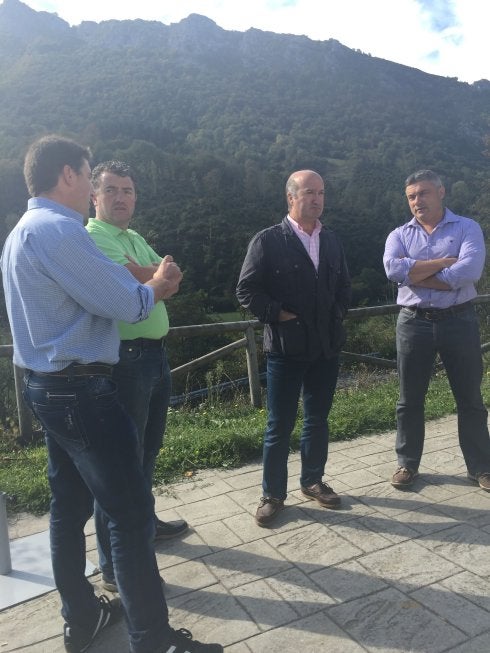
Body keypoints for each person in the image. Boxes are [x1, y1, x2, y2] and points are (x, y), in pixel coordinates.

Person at [0, 135, 223, 653]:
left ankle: (82, 618)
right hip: (82, 390)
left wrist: (144, 287)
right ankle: (154, 639)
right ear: (70, 176)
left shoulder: (20, 232)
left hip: (45, 387)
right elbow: (125, 304)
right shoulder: (61, 231)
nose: (96, 189)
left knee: (67, 507)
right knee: (130, 512)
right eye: (88, 173)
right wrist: (158, 288)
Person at [86, 160, 188, 594]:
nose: (122, 197)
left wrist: (155, 276)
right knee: (120, 465)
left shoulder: (134, 238)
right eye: (112, 190)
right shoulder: (92, 237)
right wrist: (154, 276)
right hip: (125, 361)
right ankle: (114, 565)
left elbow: (172, 280)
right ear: (95, 196)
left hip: (154, 357)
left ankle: (145, 524)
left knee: (146, 453)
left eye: (128, 190)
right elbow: (133, 281)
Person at [236, 169, 351, 526]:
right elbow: (246, 291)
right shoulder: (268, 240)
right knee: (279, 425)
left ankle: (313, 481)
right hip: (285, 349)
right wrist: (278, 315)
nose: (316, 199)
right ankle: (273, 495)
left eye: (320, 192)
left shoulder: (330, 240)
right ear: (291, 198)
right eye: (308, 192)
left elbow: (344, 286)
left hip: (325, 349)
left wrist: (336, 316)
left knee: (317, 420)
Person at [383, 169, 490, 492]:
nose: (418, 201)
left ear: (441, 193)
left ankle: (482, 467)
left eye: (424, 193)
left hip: (459, 320)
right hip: (413, 322)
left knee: (470, 397)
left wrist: (414, 274)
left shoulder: (467, 228)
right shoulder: (399, 234)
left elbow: (469, 270)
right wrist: (445, 263)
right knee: (409, 399)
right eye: (412, 196)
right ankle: (407, 464)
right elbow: (392, 269)